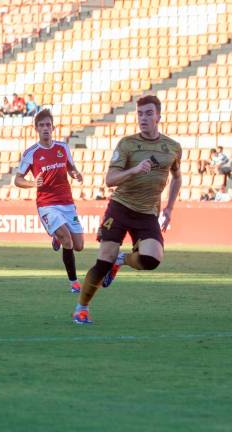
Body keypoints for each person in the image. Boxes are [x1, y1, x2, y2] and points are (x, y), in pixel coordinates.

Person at [73, 95, 182, 324]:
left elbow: (177, 177)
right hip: (120, 208)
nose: (143, 118)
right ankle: (81, 308)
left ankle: (120, 261)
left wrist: (170, 208)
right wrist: (134, 171)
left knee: (152, 259)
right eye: (140, 114)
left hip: (147, 213)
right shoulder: (127, 144)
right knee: (103, 260)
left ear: (159, 116)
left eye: (148, 113)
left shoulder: (172, 148)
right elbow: (110, 180)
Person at [14, 109, 85, 293]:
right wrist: (32, 183)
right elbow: (17, 179)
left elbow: (71, 167)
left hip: (67, 203)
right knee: (67, 240)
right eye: (41, 125)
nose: (45, 128)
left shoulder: (63, 147)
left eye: (48, 125)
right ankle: (74, 283)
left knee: (79, 246)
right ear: (36, 128)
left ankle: (56, 237)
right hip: (47, 204)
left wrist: (75, 173)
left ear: (53, 127)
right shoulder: (31, 153)